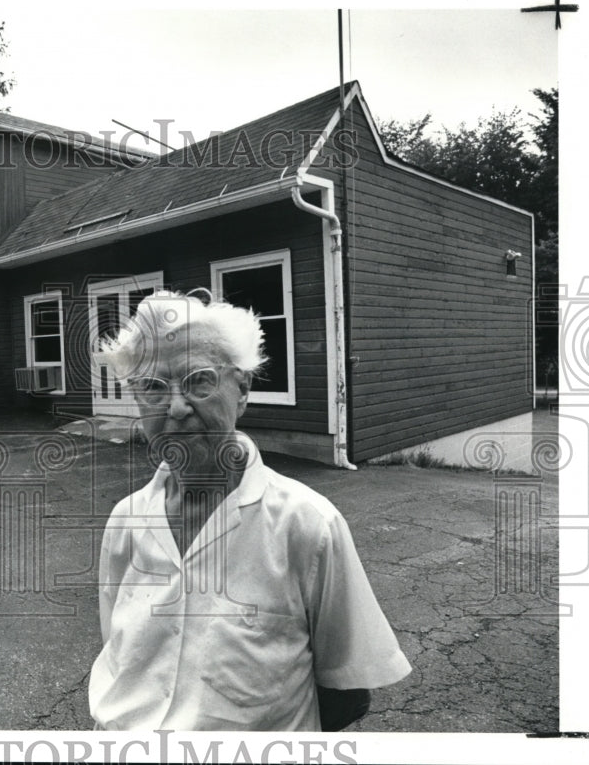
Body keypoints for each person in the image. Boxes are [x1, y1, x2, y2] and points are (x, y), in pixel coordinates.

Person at [88, 289, 411, 732]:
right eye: (153, 387)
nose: (177, 406)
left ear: (242, 390)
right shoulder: (126, 520)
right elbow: (120, 656)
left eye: (199, 380)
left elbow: (345, 696)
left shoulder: (307, 525)